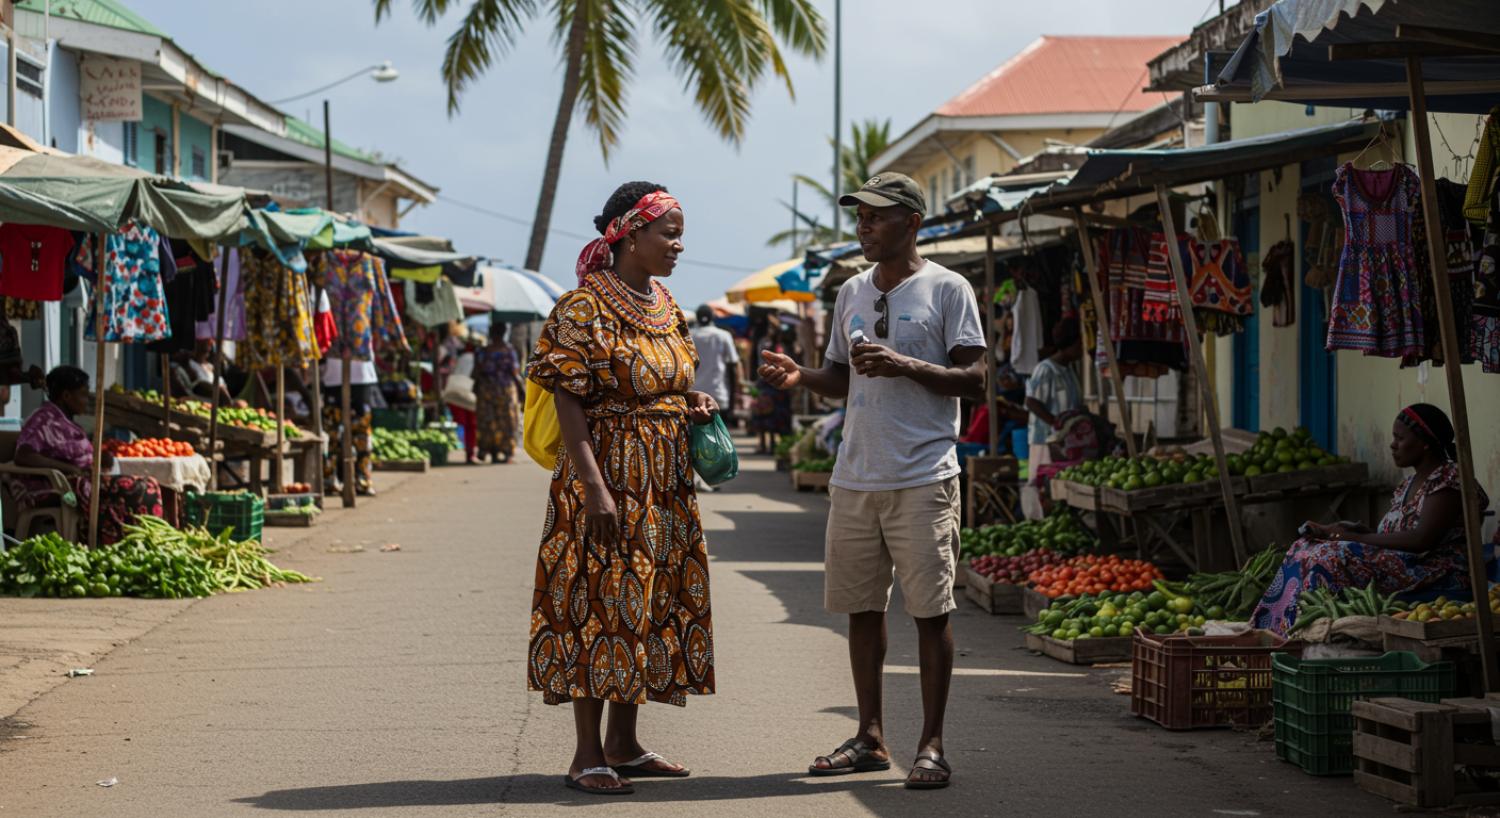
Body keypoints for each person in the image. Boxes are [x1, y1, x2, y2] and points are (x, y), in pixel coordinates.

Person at [759, 172, 985, 790]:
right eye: (860, 217)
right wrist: (801, 376)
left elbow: (976, 379)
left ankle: (931, 745)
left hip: (923, 475)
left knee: (930, 613)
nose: (864, 227)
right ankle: (870, 736)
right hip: (856, 475)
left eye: (877, 216)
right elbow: (841, 377)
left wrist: (904, 364)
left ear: (912, 223)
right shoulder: (851, 291)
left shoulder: (948, 288)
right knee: (861, 610)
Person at [526, 181, 718, 796]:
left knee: (647, 602)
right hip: (606, 476)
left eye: (680, 235)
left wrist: (692, 399)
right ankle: (587, 755)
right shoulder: (582, 307)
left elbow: (667, 379)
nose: (678, 246)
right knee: (598, 603)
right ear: (630, 235)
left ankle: (624, 745)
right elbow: (569, 399)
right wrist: (594, 488)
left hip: (663, 483)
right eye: (669, 234)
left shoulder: (666, 304)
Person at [1251, 404, 1491, 635]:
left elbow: (1421, 540)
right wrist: (1346, 530)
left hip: (1435, 571)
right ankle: (1270, 629)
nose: (1393, 444)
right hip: (1402, 563)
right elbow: (1393, 535)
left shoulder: (1448, 479)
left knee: (1328, 556)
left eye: (1400, 438)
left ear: (1425, 444)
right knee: (1304, 546)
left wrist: (1353, 538)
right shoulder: (1408, 484)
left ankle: (1301, 632)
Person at [6, 366, 164, 544]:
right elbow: (24, 455)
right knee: (142, 488)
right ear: (66, 396)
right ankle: (125, 542)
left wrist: (99, 458)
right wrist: (69, 468)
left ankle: (135, 541)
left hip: (80, 481)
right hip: (54, 486)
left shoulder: (66, 421)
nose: (86, 401)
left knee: (146, 483)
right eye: (82, 395)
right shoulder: (43, 419)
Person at [1021, 319, 1084, 519]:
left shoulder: (1069, 370)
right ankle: (1038, 523)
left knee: (1061, 489)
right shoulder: (1046, 369)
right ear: (1069, 344)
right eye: (1079, 344)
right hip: (1046, 441)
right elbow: (1031, 401)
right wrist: (1057, 423)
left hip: (1066, 443)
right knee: (1044, 489)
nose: (1082, 349)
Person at [322, 355, 380, 497]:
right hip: (335, 377)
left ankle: (361, 479)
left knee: (361, 433)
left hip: (361, 377)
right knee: (332, 432)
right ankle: (329, 479)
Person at [473, 325, 521, 464]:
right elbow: (515, 372)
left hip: (486, 390)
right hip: (505, 391)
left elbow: (476, 371)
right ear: (504, 332)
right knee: (507, 422)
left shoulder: (482, 351)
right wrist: (522, 389)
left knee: (488, 421)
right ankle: (506, 452)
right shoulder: (509, 351)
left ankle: (490, 451)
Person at [749, 323, 796, 454]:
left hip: (768, 383)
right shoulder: (783, 347)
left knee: (764, 415)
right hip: (779, 384)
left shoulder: (766, 345)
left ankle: (765, 445)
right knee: (774, 417)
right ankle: (773, 445)